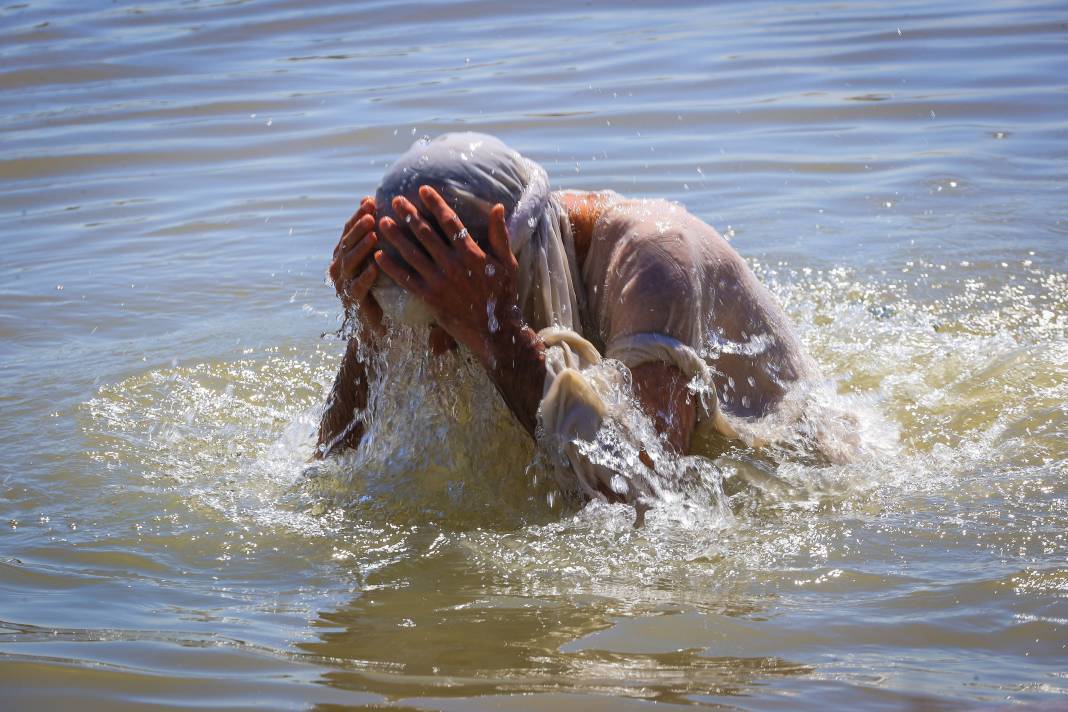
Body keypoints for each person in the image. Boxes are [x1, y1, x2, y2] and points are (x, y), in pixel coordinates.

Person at [315, 133, 816, 508]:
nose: (440, 351)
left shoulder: (657, 259)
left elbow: (648, 500)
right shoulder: (483, 273)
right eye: (431, 328)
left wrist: (496, 331)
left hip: (796, 480)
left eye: (451, 323)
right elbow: (331, 469)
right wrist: (368, 336)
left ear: (512, 261)